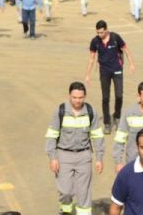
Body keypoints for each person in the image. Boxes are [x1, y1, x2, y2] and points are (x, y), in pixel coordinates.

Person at [44, 82, 105, 215]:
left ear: (85, 96)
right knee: (65, 191)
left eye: (80, 98)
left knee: (84, 192)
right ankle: (65, 212)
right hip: (64, 156)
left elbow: (97, 136)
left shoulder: (90, 112)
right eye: (74, 97)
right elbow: (51, 136)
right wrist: (52, 158)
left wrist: (99, 158)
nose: (77, 101)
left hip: (84, 156)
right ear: (69, 96)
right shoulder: (60, 111)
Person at [84, 20, 136, 135]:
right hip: (104, 72)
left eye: (101, 32)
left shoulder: (115, 38)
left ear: (106, 29)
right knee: (105, 98)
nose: (99, 35)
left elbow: (126, 50)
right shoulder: (95, 41)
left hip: (117, 70)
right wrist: (87, 74)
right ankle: (107, 123)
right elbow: (91, 59)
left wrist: (131, 63)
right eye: (97, 32)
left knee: (119, 95)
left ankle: (117, 116)